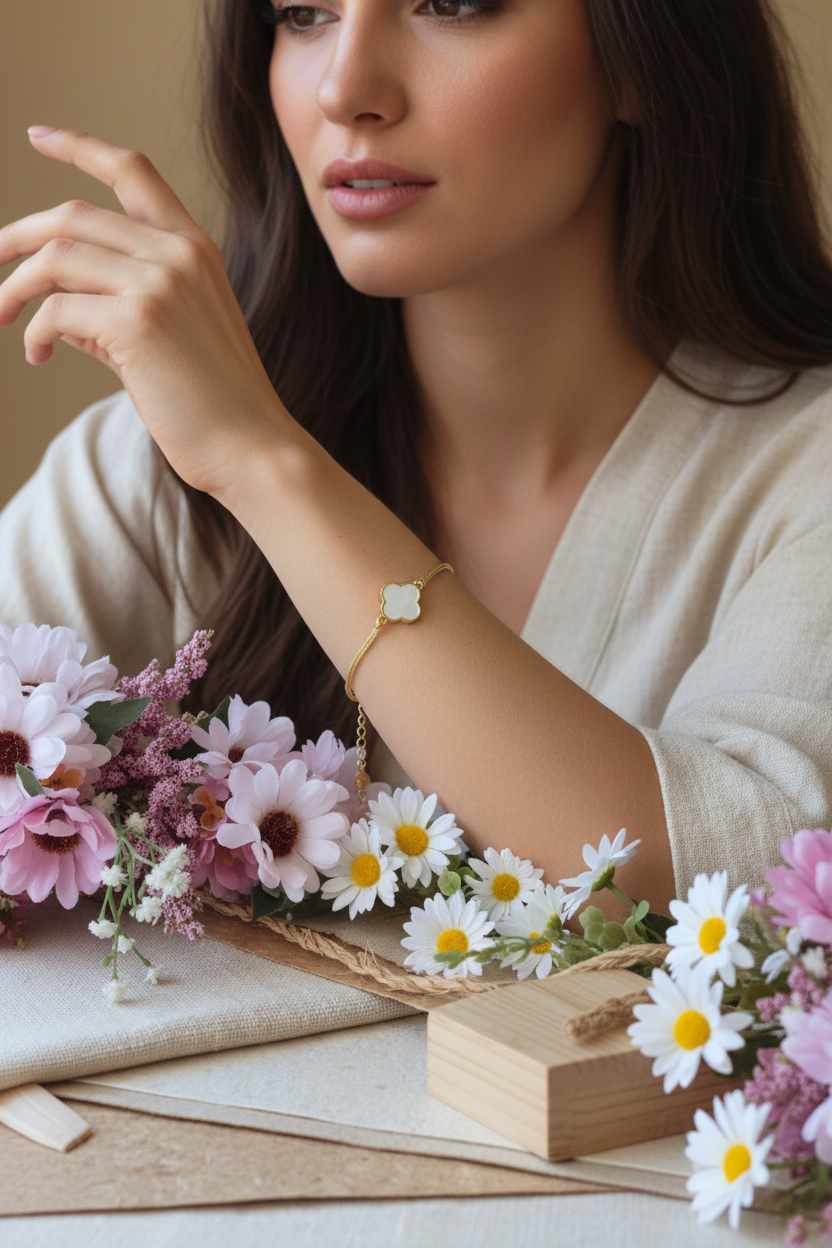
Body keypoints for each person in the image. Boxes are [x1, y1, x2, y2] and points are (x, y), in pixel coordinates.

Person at [1, 0, 831, 917]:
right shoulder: (158, 463)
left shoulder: (806, 473)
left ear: (638, 54)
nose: (344, 87)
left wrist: (268, 468)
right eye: (303, 14)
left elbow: (721, 893)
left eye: (453, 5)